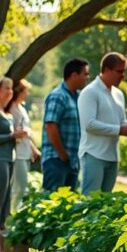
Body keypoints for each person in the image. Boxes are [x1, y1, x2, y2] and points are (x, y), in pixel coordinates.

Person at [77, 52, 127, 194]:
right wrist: (121, 130)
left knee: (107, 203)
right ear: (106, 70)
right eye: (119, 71)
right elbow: (89, 125)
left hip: (112, 156)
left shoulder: (118, 93)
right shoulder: (90, 92)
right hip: (93, 154)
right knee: (91, 203)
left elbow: (120, 121)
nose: (123, 75)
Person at [0, 76, 27, 251]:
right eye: (7, 88)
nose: (10, 92)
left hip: (7, 159)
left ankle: (0, 236)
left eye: (11, 88)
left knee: (5, 199)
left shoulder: (3, 111)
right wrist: (12, 136)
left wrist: (15, 135)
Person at [41, 58, 90, 191]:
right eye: (85, 74)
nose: (87, 78)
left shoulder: (79, 97)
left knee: (69, 206)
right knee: (52, 203)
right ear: (74, 75)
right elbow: (50, 126)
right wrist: (62, 154)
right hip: (56, 160)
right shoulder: (58, 96)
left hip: (72, 161)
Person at [8, 79, 39, 211]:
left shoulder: (22, 108)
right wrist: (19, 133)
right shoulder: (12, 109)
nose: (27, 93)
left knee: (22, 185)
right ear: (19, 92)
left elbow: (27, 132)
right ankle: (11, 216)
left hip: (25, 152)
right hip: (18, 153)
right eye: (26, 90)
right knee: (18, 187)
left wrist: (33, 149)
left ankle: (14, 213)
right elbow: (12, 132)